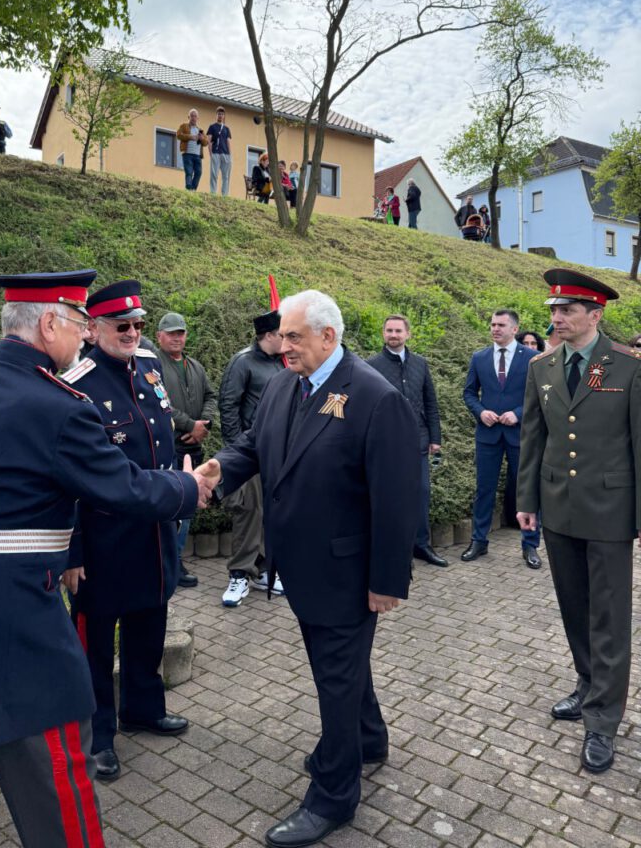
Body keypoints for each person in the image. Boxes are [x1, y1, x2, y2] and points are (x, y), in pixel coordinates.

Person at [0, 269, 208, 848]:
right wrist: (188, 488)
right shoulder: (60, 406)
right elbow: (123, 487)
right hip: (14, 618)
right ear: (49, 323)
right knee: (56, 774)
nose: (84, 334)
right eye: (79, 321)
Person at [197, 290, 421, 847]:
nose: (283, 346)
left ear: (328, 335)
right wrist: (218, 469)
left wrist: (387, 581)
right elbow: (256, 443)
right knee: (340, 667)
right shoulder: (285, 384)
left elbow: (397, 500)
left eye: (294, 337)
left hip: (346, 572)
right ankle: (368, 739)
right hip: (299, 566)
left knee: (334, 681)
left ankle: (333, 796)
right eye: (281, 336)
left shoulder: (375, 397)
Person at [61, 281, 195, 784]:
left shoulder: (149, 367)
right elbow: (66, 477)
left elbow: (161, 443)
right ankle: (96, 736)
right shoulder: (76, 384)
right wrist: (72, 550)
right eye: (122, 326)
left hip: (152, 532)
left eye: (138, 324)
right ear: (92, 329)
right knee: (95, 642)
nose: (132, 333)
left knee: (150, 622)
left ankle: (143, 706)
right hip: (103, 538)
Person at [517, 268, 641, 774]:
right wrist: (527, 499)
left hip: (611, 511)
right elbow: (533, 437)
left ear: (595, 314)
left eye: (567, 310)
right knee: (574, 608)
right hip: (559, 507)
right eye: (554, 310)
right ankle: (588, 685)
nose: (557, 318)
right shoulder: (542, 366)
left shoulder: (627, 367)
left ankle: (603, 721)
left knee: (608, 618)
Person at [461, 310, 540, 567]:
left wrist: (518, 413)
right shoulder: (480, 357)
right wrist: (480, 411)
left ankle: (530, 545)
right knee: (484, 489)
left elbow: (539, 395)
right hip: (488, 435)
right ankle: (479, 541)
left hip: (520, 434)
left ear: (514, 329)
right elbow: (469, 392)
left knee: (526, 490)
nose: (495, 328)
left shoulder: (532, 357)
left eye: (501, 325)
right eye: (493, 324)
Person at [367, 315, 446, 567]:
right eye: (389, 330)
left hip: (418, 441)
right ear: (383, 333)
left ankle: (421, 545)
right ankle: (397, 550)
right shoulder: (371, 365)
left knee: (420, 494)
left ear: (408, 334)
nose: (393, 335)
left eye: (398, 331)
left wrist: (435, 437)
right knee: (392, 498)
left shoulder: (420, 363)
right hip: (387, 444)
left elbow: (430, 402)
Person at [218, 311, 285, 606]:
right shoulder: (243, 362)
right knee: (248, 511)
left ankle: (263, 569)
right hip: (249, 454)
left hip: (276, 453)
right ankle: (239, 574)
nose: (287, 339)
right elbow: (228, 405)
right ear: (269, 335)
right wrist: (238, 454)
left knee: (270, 512)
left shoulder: (281, 363)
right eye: (282, 334)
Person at [155, 311, 218, 589]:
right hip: (169, 448)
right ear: (159, 336)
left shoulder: (195, 366)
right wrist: (191, 425)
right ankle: (169, 562)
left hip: (193, 449)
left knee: (188, 507)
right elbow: (160, 404)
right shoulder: (153, 365)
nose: (176, 337)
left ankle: (175, 559)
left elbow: (211, 396)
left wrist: (205, 424)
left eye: (180, 332)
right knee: (171, 508)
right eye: (171, 333)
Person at [176, 109, 208, 190]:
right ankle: (188, 187)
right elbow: (178, 135)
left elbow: (206, 143)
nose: (193, 118)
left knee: (198, 172)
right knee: (189, 171)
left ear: (198, 118)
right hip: (187, 153)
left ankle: (193, 189)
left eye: (195, 116)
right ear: (188, 117)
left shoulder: (200, 131)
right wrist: (190, 137)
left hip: (197, 155)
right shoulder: (184, 126)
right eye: (192, 116)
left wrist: (202, 139)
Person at [206, 106, 232, 196]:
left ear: (224, 116)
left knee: (226, 176)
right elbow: (209, 141)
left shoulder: (226, 129)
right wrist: (211, 154)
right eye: (219, 114)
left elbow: (228, 142)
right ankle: (213, 192)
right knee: (214, 174)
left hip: (225, 154)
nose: (220, 116)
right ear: (216, 115)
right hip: (215, 153)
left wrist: (230, 155)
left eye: (222, 114)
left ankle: (225, 194)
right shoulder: (212, 127)